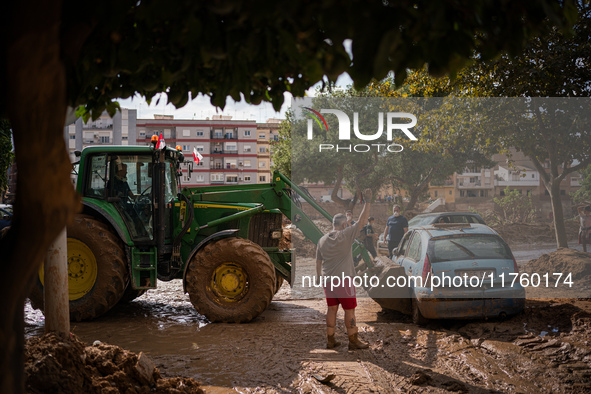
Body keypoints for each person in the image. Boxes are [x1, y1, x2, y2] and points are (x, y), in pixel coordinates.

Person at [316, 188, 372, 350]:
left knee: (332, 309)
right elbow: (361, 222)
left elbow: (318, 261)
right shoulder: (346, 235)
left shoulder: (322, 240)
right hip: (344, 280)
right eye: (346, 224)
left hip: (328, 280)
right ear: (344, 225)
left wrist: (319, 277)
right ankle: (353, 341)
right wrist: (367, 202)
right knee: (350, 310)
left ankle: (330, 340)